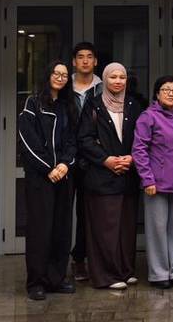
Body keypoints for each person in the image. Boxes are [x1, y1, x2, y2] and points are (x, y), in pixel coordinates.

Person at [17, 59, 78, 300]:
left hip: (63, 175)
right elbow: (27, 140)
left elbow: (72, 140)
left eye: (64, 75)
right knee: (40, 230)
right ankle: (36, 282)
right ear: (47, 75)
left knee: (61, 229)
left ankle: (56, 279)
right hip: (40, 178)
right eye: (56, 73)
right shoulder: (32, 103)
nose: (60, 78)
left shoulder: (68, 106)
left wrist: (64, 164)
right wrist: (48, 168)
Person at [77, 62, 142, 290]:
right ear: (104, 79)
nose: (118, 81)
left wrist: (131, 157)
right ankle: (106, 275)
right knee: (105, 229)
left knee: (126, 228)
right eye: (113, 77)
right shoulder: (93, 105)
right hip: (101, 177)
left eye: (122, 77)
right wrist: (106, 160)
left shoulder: (134, 105)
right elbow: (84, 139)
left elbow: (143, 136)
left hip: (128, 175)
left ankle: (125, 270)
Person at [134, 76, 173, 289]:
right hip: (156, 184)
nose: (171, 93)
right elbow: (139, 150)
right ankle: (159, 274)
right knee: (157, 230)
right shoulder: (148, 117)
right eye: (166, 89)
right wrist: (147, 179)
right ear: (157, 94)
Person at [69, 42, 101, 282]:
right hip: (66, 158)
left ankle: (81, 259)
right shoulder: (63, 86)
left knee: (87, 213)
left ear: (95, 61)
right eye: (80, 57)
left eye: (89, 56)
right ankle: (58, 262)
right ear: (74, 62)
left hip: (93, 159)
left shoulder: (103, 87)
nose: (85, 61)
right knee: (61, 212)